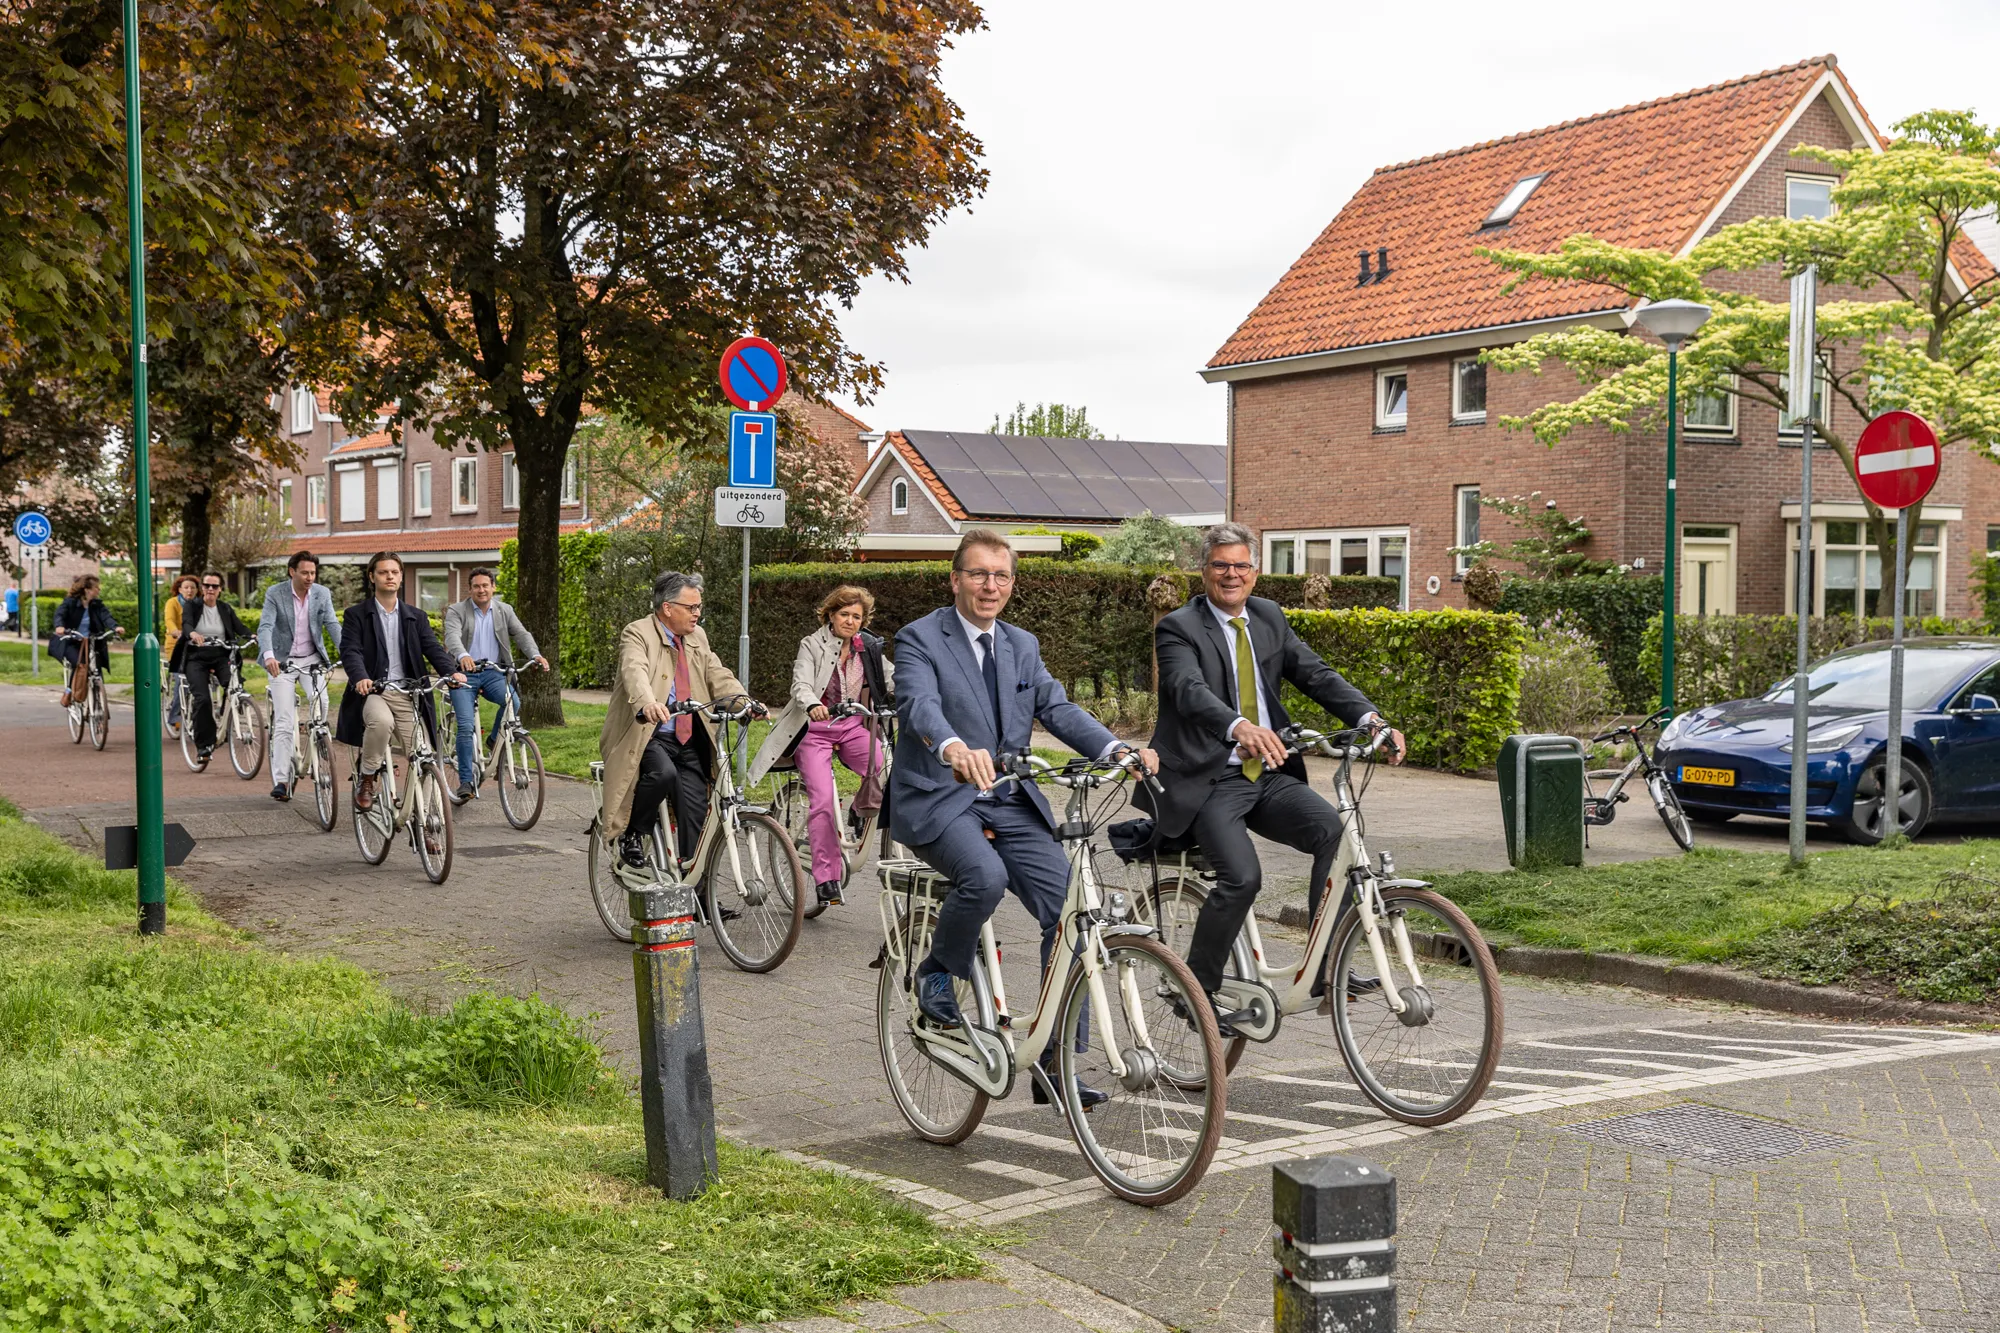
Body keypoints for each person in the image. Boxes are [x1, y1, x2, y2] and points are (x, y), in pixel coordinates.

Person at [891, 529, 1156, 1106]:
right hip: (941, 793)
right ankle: (938, 970)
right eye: (979, 574)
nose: (991, 586)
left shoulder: (1021, 644)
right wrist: (952, 747)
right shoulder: (918, 639)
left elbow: (1056, 707)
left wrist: (1114, 750)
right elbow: (919, 704)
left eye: (1001, 575)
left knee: (1069, 912)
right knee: (982, 877)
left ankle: (1055, 1059)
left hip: (1009, 796)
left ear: (1012, 583)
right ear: (955, 578)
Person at [1144, 522, 1406, 1033]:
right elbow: (1186, 688)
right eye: (1221, 565)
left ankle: (1327, 967)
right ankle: (1196, 991)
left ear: (1256, 572)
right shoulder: (1178, 627)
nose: (1231, 574)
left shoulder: (1267, 616)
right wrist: (1238, 726)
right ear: (1204, 571)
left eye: (1241, 565)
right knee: (1242, 878)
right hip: (1209, 780)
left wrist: (1371, 719)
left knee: (1335, 836)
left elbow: (1317, 674)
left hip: (1267, 773)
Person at [599, 572, 760, 887]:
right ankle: (634, 834)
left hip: (688, 736)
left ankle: (697, 893)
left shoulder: (697, 636)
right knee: (663, 774)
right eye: (692, 607)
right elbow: (635, 670)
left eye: (700, 607)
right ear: (668, 608)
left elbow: (716, 673)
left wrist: (744, 701)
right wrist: (647, 704)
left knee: (695, 814)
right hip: (649, 734)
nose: (698, 613)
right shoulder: (638, 633)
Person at [748, 584, 895, 907]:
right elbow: (800, 682)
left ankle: (859, 808)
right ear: (830, 614)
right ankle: (826, 879)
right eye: (844, 614)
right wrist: (813, 703)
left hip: (853, 726)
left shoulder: (868, 647)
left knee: (885, 765)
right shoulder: (812, 644)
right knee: (823, 802)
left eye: (857, 616)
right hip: (814, 729)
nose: (851, 621)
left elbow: (891, 677)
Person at [335, 552, 462, 819]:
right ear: (372, 577)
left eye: (394, 572)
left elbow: (432, 648)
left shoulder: (415, 616)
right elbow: (351, 651)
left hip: (408, 694)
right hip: (375, 691)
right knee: (380, 722)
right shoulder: (356, 615)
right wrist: (360, 677)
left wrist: (451, 673)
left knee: (424, 757)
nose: (389, 576)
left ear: (401, 577)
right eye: (383, 572)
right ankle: (367, 776)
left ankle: (425, 821)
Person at [441, 568, 548, 800]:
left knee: (514, 703)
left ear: (493, 587)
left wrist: (536, 655)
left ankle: (493, 741)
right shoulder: (456, 611)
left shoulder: (504, 610)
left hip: (493, 672)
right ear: (470, 589)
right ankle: (466, 782)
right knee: (466, 726)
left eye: (485, 585)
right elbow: (452, 637)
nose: (481, 590)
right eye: (476, 586)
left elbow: (521, 634)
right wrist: (462, 656)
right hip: (463, 675)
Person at [259, 550, 341, 802]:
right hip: (282, 662)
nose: (309, 577)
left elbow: (333, 625)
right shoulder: (276, 593)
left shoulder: (322, 594)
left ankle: (318, 739)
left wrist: (349, 654)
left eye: (313, 573)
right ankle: (282, 780)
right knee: (284, 720)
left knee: (322, 702)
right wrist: (269, 655)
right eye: (305, 572)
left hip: (311, 659)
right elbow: (266, 626)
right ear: (292, 571)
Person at [166, 572, 251, 764]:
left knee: (235, 688)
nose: (210, 589)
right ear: (202, 588)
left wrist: (252, 636)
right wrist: (193, 633)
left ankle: (227, 724)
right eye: (207, 586)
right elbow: (186, 624)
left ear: (220, 589)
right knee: (202, 698)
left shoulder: (225, 608)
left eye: (214, 586)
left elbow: (239, 627)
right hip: (196, 658)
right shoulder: (192, 606)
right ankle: (204, 746)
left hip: (221, 656)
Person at [52, 573, 123, 709]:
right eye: (96, 587)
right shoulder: (70, 603)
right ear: (87, 590)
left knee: (97, 667)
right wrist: (59, 626)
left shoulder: (97, 605)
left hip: (92, 641)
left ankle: (100, 710)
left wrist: (115, 627)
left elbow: (106, 616)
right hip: (72, 641)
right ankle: (69, 691)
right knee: (80, 664)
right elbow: (60, 614)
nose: (99, 590)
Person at [160, 573, 200, 729]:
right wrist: (174, 631)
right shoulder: (173, 603)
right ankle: (175, 715)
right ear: (179, 589)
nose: (189, 591)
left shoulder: (199, 604)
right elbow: (169, 620)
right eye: (186, 588)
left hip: (195, 645)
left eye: (193, 588)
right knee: (181, 678)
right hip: (176, 644)